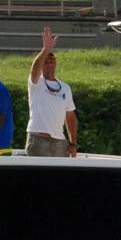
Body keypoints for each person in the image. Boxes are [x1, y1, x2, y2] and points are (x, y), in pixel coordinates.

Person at [26, 27, 78, 157]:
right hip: (38, 139)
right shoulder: (36, 83)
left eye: (52, 61)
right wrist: (46, 49)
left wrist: (72, 143)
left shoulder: (65, 87)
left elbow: (70, 116)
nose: (49, 64)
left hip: (59, 141)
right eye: (46, 61)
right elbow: (34, 70)